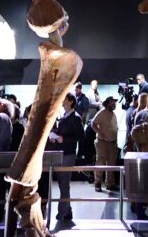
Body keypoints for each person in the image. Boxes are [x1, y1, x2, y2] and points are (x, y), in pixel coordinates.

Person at [48, 93, 83, 222]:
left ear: (71, 101)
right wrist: (54, 136)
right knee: (63, 184)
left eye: (65, 99)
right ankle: (67, 211)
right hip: (61, 152)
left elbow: (80, 135)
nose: (62, 101)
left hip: (68, 154)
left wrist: (64, 139)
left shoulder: (75, 117)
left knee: (64, 184)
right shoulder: (65, 116)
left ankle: (62, 212)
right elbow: (62, 132)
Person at [91, 97, 120, 191]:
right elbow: (93, 124)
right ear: (107, 103)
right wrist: (100, 133)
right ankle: (98, 183)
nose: (114, 104)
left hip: (112, 143)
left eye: (114, 102)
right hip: (102, 143)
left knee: (111, 164)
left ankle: (110, 183)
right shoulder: (101, 113)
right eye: (112, 102)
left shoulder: (113, 114)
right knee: (101, 162)